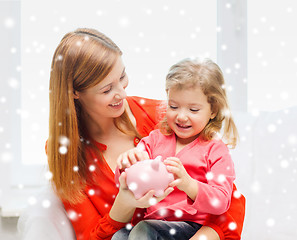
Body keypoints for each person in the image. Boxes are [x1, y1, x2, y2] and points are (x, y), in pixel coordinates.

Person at [46, 28, 245, 240]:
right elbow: (90, 236)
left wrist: (205, 236)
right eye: (106, 89)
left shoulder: (167, 117)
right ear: (75, 92)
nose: (122, 93)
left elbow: (228, 201)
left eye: (122, 76)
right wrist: (124, 204)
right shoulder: (64, 150)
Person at [114, 58, 241, 240]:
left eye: (193, 110)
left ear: (213, 110)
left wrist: (189, 185)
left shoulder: (215, 150)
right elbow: (124, 184)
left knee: (143, 230)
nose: (181, 116)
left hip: (191, 227)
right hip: (154, 225)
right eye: (173, 106)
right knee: (119, 236)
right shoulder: (154, 140)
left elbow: (221, 202)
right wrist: (126, 166)